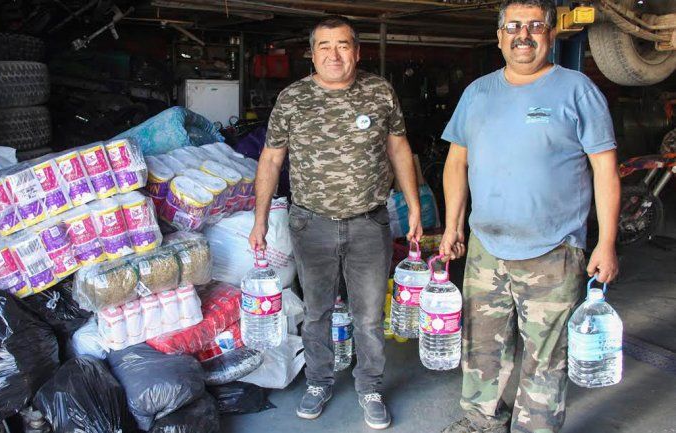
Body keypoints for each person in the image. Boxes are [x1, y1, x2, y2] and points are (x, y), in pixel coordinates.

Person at [438, 1, 620, 432]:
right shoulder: (478, 93)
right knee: (482, 345)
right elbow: (455, 164)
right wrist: (452, 226)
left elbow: (605, 169)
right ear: (500, 36)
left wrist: (606, 242)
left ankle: (533, 428)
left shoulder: (577, 89)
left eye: (535, 26)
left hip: (553, 249)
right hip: (486, 246)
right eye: (513, 26)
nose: (524, 34)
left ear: (550, 34)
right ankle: (482, 421)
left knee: (545, 355)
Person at [248, 15, 422, 431]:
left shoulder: (380, 92)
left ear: (357, 51)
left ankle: (370, 387)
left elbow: (399, 149)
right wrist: (259, 220)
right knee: (316, 311)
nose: (334, 54)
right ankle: (319, 381)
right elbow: (271, 159)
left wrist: (413, 205)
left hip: (368, 223)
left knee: (367, 316)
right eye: (325, 46)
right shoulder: (292, 98)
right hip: (311, 224)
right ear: (312, 53)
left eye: (343, 45)